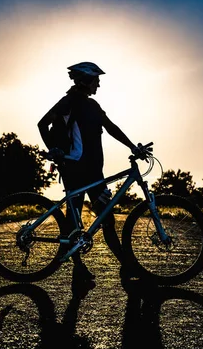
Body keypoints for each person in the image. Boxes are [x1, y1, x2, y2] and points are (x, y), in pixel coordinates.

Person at [38, 62, 139, 283]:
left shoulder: (93, 105)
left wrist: (133, 146)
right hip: (74, 168)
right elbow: (42, 124)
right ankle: (81, 268)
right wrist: (53, 150)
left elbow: (111, 127)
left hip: (94, 172)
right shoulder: (69, 102)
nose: (99, 85)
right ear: (85, 81)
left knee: (107, 218)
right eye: (96, 81)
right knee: (74, 220)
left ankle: (125, 266)